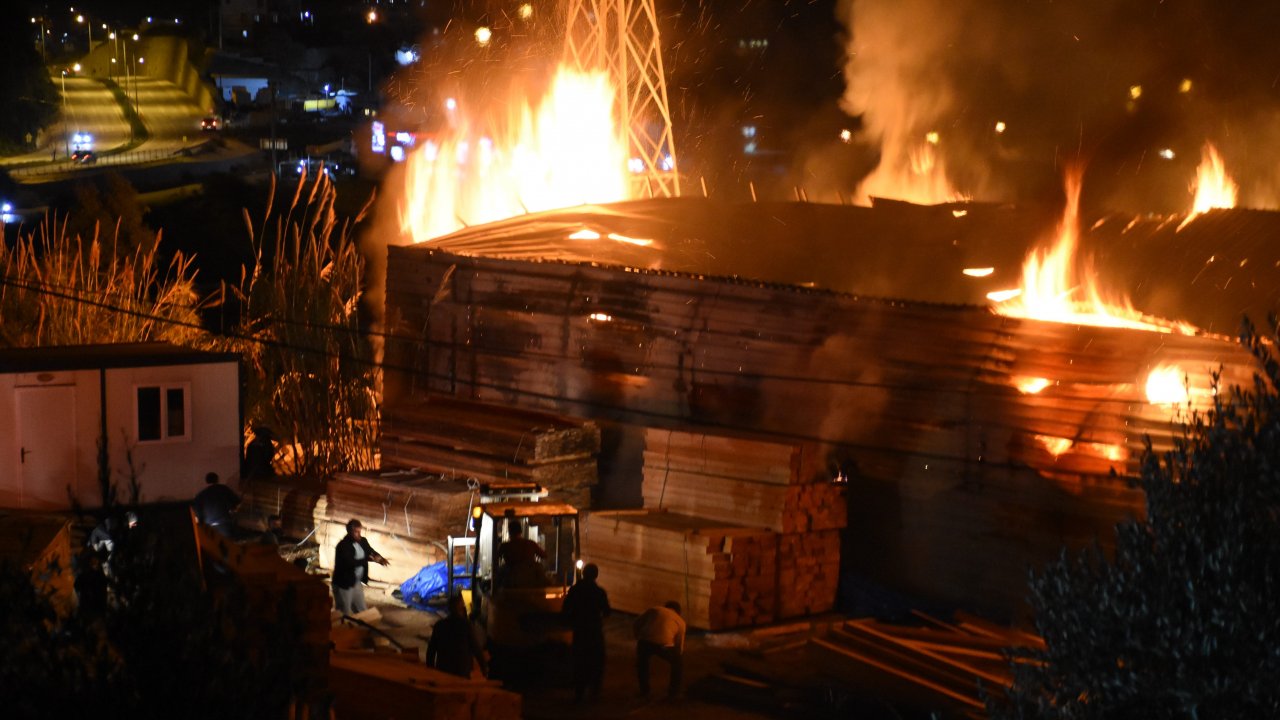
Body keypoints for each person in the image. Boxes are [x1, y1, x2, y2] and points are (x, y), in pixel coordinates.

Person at [562, 562, 611, 702]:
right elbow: (607, 611)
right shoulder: (599, 592)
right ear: (596, 575)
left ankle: (579, 691)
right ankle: (595, 689)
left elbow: (566, 608)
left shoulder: (575, 590)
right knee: (596, 659)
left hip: (579, 629)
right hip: (594, 630)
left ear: (583, 573)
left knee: (579, 659)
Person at [332, 518, 389, 615]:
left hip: (356, 582)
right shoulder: (343, 546)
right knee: (343, 612)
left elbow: (370, 551)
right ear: (349, 532)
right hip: (343, 584)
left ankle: (361, 628)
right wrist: (369, 559)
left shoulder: (362, 541)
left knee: (362, 610)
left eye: (359, 531)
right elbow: (350, 563)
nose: (359, 534)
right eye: (356, 532)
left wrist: (380, 558)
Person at [634, 600, 686, 700]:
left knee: (642, 663)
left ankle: (644, 690)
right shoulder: (680, 621)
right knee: (678, 663)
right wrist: (677, 654)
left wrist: (638, 637)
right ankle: (674, 692)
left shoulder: (655, 609)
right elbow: (679, 644)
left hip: (644, 641)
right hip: (664, 644)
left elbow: (637, 623)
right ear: (678, 611)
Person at [426, 594, 487, 679]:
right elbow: (476, 648)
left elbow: (431, 650)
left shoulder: (439, 625)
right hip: (462, 671)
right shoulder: (466, 625)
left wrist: (430, 670)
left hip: (443, 670)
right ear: (462, 609)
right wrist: (484, 668)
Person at [496, 520, 546, 588]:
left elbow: (496, 558)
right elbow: (544, 555)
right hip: (530, 580)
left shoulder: (505, 546)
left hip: (511, 581)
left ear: (509, 532)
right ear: (521, 532)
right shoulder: (531, 543)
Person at [193, 472, 240, 537]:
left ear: (206, 481)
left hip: (210, 526)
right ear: (217, 480)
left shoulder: (201, 495)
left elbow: (198, 514)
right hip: (224, 523)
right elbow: (236, 501)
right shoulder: (224, 489)